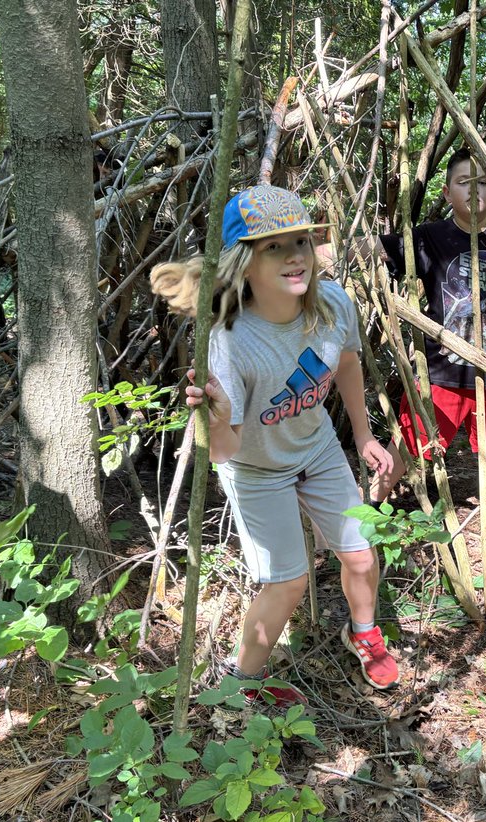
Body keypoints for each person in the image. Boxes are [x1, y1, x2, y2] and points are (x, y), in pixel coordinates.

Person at [150, 184, 400, 707]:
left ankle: (363, 631)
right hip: (256, 467)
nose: (294, 256)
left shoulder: (332, 304)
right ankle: (240, 682)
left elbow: (349, 363)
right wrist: (214, 418)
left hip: (317, 447)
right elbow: (223, 452)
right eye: (273, 247)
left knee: (358, 554)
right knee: (287, 581)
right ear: (245, 263)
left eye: (302, 242)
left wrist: (363, 435)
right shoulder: (228, 340)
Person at [368, 148, 486, 527]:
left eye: (483, 182)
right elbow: (374, 249)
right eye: (464, 182)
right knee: (409, 440)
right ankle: (371, 504)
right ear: (446, 192)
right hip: (441, 367)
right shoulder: (429, 237)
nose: (474, 191)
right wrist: (321, 252)